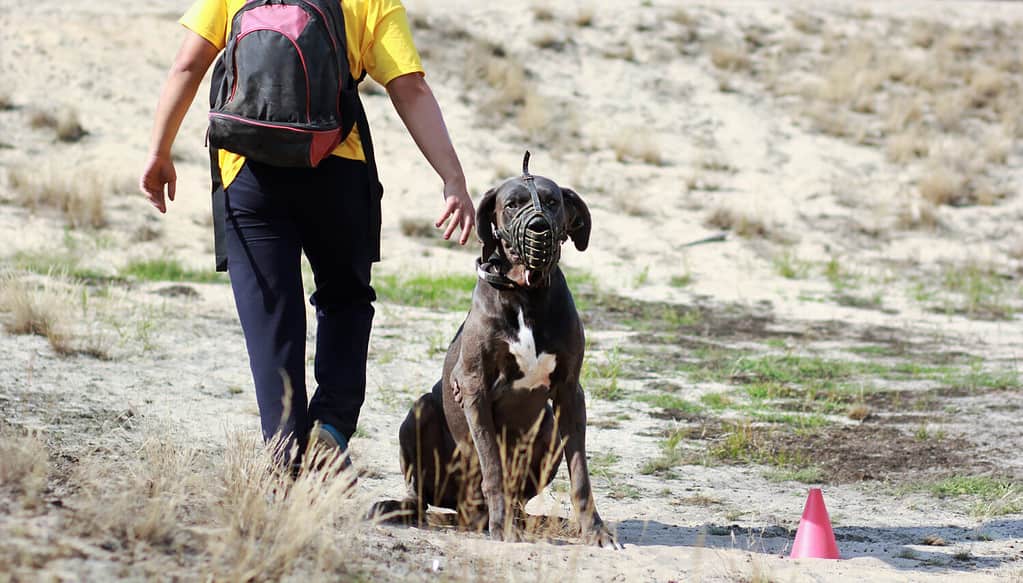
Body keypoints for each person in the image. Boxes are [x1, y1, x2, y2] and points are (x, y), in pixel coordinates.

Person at [139, 0, 475, 468]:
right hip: (337, 164)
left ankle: (283, 452)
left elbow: (188, 64)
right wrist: (452, 178)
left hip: (248, 170)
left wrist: (159, 150)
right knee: (345, 299)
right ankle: (332, 428)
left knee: (271, 313)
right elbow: (410, 87)